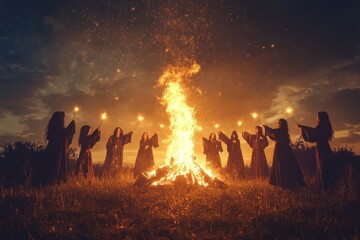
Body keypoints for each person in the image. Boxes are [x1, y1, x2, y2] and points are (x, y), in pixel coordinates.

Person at [298, 111, 335, 191]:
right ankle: (327, 188)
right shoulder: (325, 126)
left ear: (320, 118)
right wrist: (303, 127)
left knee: (323, 167)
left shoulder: (321, 126)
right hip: (325, 147)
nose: (316, 118)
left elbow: (313, 134)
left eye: (317, 116)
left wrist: (303, 128)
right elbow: (314, 133)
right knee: (324, 166)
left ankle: (324, 188)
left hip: (321, 148)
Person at [264, 119, 305, 189]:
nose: (277, 124)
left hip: (280, 150)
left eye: (278, 123)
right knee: (284, 165)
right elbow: (273, 135)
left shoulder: (281, 131)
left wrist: (266, 128)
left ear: (281, 124)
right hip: (283, 149)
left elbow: (272, 132)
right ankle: (285, 183)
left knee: (282, 165)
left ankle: (285, 183)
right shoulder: (283, 131)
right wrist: (267, 129)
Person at [38, 111, 75, 185]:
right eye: (62, 118)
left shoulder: (55, 128)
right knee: (55, 166)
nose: (63, 120)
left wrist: (69, 128)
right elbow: (63, 136)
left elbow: (64, 135)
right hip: (57, 151)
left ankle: (53, 181)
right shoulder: (57, 129)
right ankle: (53, 181)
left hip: (54, 150)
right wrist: (70, 128)